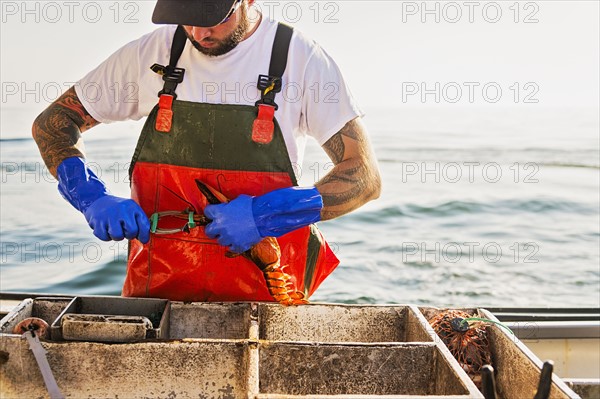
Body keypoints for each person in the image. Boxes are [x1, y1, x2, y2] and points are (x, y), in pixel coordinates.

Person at [32, 0, 381, 303]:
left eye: (214, 17)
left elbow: (364, 177)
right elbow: (54, 122)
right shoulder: (151, 54)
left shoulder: (300, 58)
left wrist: (265, 215)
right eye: (187, 18)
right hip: (157, 287)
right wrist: (90, 196)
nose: (199, 33)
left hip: (268, 288)